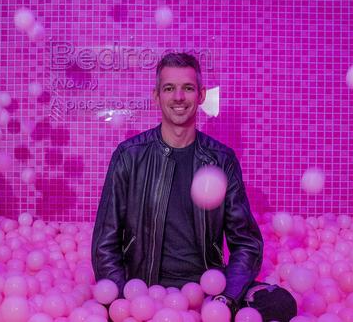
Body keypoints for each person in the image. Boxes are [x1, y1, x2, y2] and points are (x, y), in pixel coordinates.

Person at [91, 52, 297, 321]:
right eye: (169, 88)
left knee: (280, 304)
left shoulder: (221, 160)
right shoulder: (129, 156)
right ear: (156, 96)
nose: (178, 97)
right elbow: (104, 244)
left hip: (206, 293)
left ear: (200, 96)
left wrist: (226, 298)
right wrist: (123, 301)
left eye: (187, 88)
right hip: (146, 293)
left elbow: (246, 243)